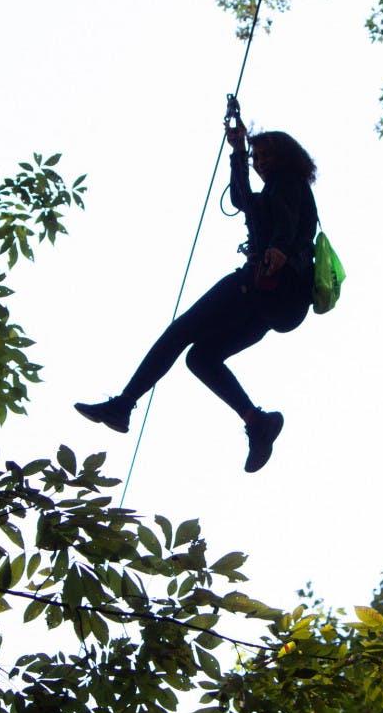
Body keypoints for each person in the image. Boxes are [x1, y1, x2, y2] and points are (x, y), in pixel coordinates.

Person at [75, 117, 318, 472]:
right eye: (257, 157)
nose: (261, 162)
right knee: (201, 358)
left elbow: (288, 218)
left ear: (285, 157)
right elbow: (240, 199)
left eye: (267, 155)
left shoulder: (288, 182)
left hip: (267, 283)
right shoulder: (271, 191)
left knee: (181, 330)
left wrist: (279, 248)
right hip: (274, 303)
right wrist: (237, 152)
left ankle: (123, 404)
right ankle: (257, 422)